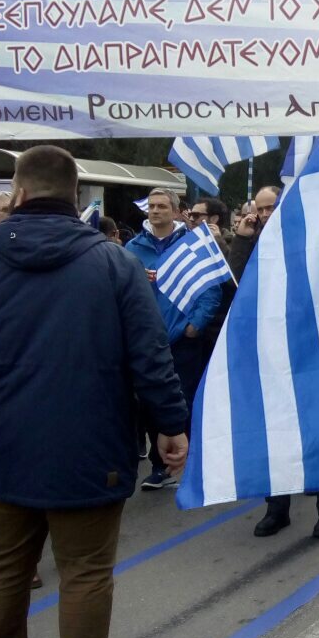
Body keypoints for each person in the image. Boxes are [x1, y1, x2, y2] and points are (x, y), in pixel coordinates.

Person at [0, 145, 189, 638]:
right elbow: (149, 352)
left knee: (5, 564)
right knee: (84, 572)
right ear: (75, 197)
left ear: (18, 192)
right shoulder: (114, 262)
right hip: (87, 442)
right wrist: (170, 423)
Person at [228, 186, 319, 538]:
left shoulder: (310, 235)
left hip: (311, 349)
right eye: (260, 209)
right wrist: (242, 240)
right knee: (274, 432)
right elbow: (237, 285)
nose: (265, 215)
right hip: (269, 351)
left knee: (318, 430)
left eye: (271, 207)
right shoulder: (255, 243)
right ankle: (277, 508)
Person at [125, 189, 220, 491]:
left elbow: (210, 289)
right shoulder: (133, 248)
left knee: (184, 400)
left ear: (177, 211)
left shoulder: (192, 245)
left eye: (162, 206)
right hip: (146, 340)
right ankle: (161, 465)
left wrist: (195, 325)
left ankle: (186, 461)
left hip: (182, 339)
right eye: (151, 206)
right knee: (150, 402)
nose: (155, 211)